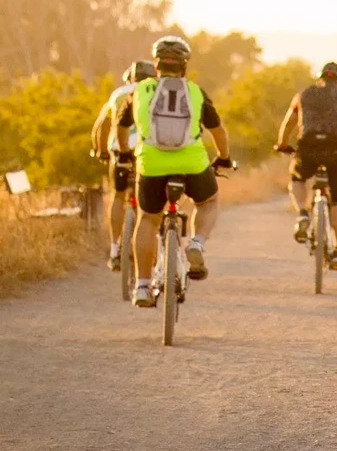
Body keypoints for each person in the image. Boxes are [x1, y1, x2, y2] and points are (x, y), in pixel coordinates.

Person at [116, 34, 233, 307]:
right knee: (208, 201)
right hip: (192, 163)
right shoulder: (195, 91)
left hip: (152, 164)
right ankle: (197, 243)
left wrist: (124, 152)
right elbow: (219, 132)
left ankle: (143, 286)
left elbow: (121, 127)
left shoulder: (140, 90)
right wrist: (224, 158)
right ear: (184, 66)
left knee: (148, 219)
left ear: (156, 65)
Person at [274, 61, 337, 266]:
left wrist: (282, 145)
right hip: (335, 150)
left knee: (297, 177)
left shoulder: (304, 95)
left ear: (321, 79)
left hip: (308, 147)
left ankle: (302, 213)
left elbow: (288, 123)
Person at [91, 59, 155, 272]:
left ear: (131, 77)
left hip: (120, 149)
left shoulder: (118, 94)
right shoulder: (155, 91)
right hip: (148, 151)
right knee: (150, 203)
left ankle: (115, 248)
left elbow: (101, 126)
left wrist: (100, 150)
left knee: (118, 195)